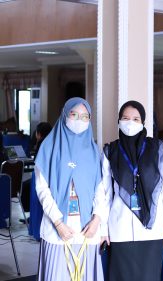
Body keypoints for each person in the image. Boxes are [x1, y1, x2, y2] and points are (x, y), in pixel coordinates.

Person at [102, 101, 163, 281]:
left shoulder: (159, 148)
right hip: (120, 228)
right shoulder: (110, 151)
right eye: (125, 118)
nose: (130, 123)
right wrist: (102, 230)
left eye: (136, 119)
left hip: (151, 231)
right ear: (119, 121)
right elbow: (104, 193)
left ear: (143, 123)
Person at [35, 98, 105, 281]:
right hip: (58, 229)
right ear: (65, 115)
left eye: (85, 116)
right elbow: (43, 190)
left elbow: (101, 189)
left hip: (87, 229)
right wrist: (58, 223)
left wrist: (97, 219)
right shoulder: (48, 148)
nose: (79, 120)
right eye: (74, 115)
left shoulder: (94, 151)